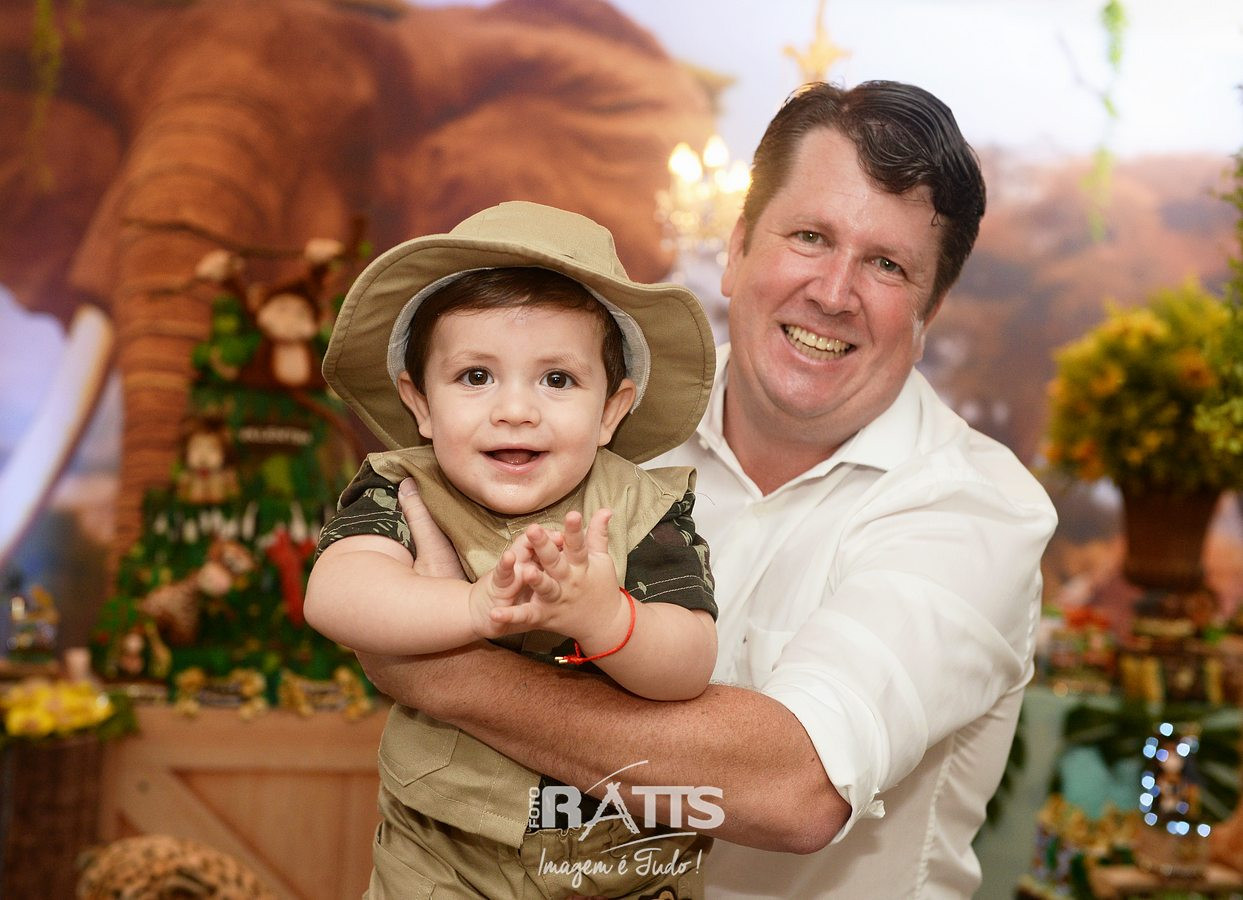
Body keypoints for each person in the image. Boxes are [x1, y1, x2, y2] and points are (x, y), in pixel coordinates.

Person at [359, 81, 1059, 898]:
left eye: (886, 265)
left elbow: (795, 786)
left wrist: (443, 670)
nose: (833, 293)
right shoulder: (588, 424)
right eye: (809, 236)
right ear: (735, 250)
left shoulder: (975, 508)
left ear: (926, 313)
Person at [305, 201, 719, 898]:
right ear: (420, 402)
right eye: (476, 376)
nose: (516, 410)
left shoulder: (643, 509)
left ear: (611, 410)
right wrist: (472, 606)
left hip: (619, 863)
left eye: (557, 379)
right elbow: (336, 594)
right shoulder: (403, 488)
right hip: (441, 849)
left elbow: (689, 665)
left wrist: (606, 617)